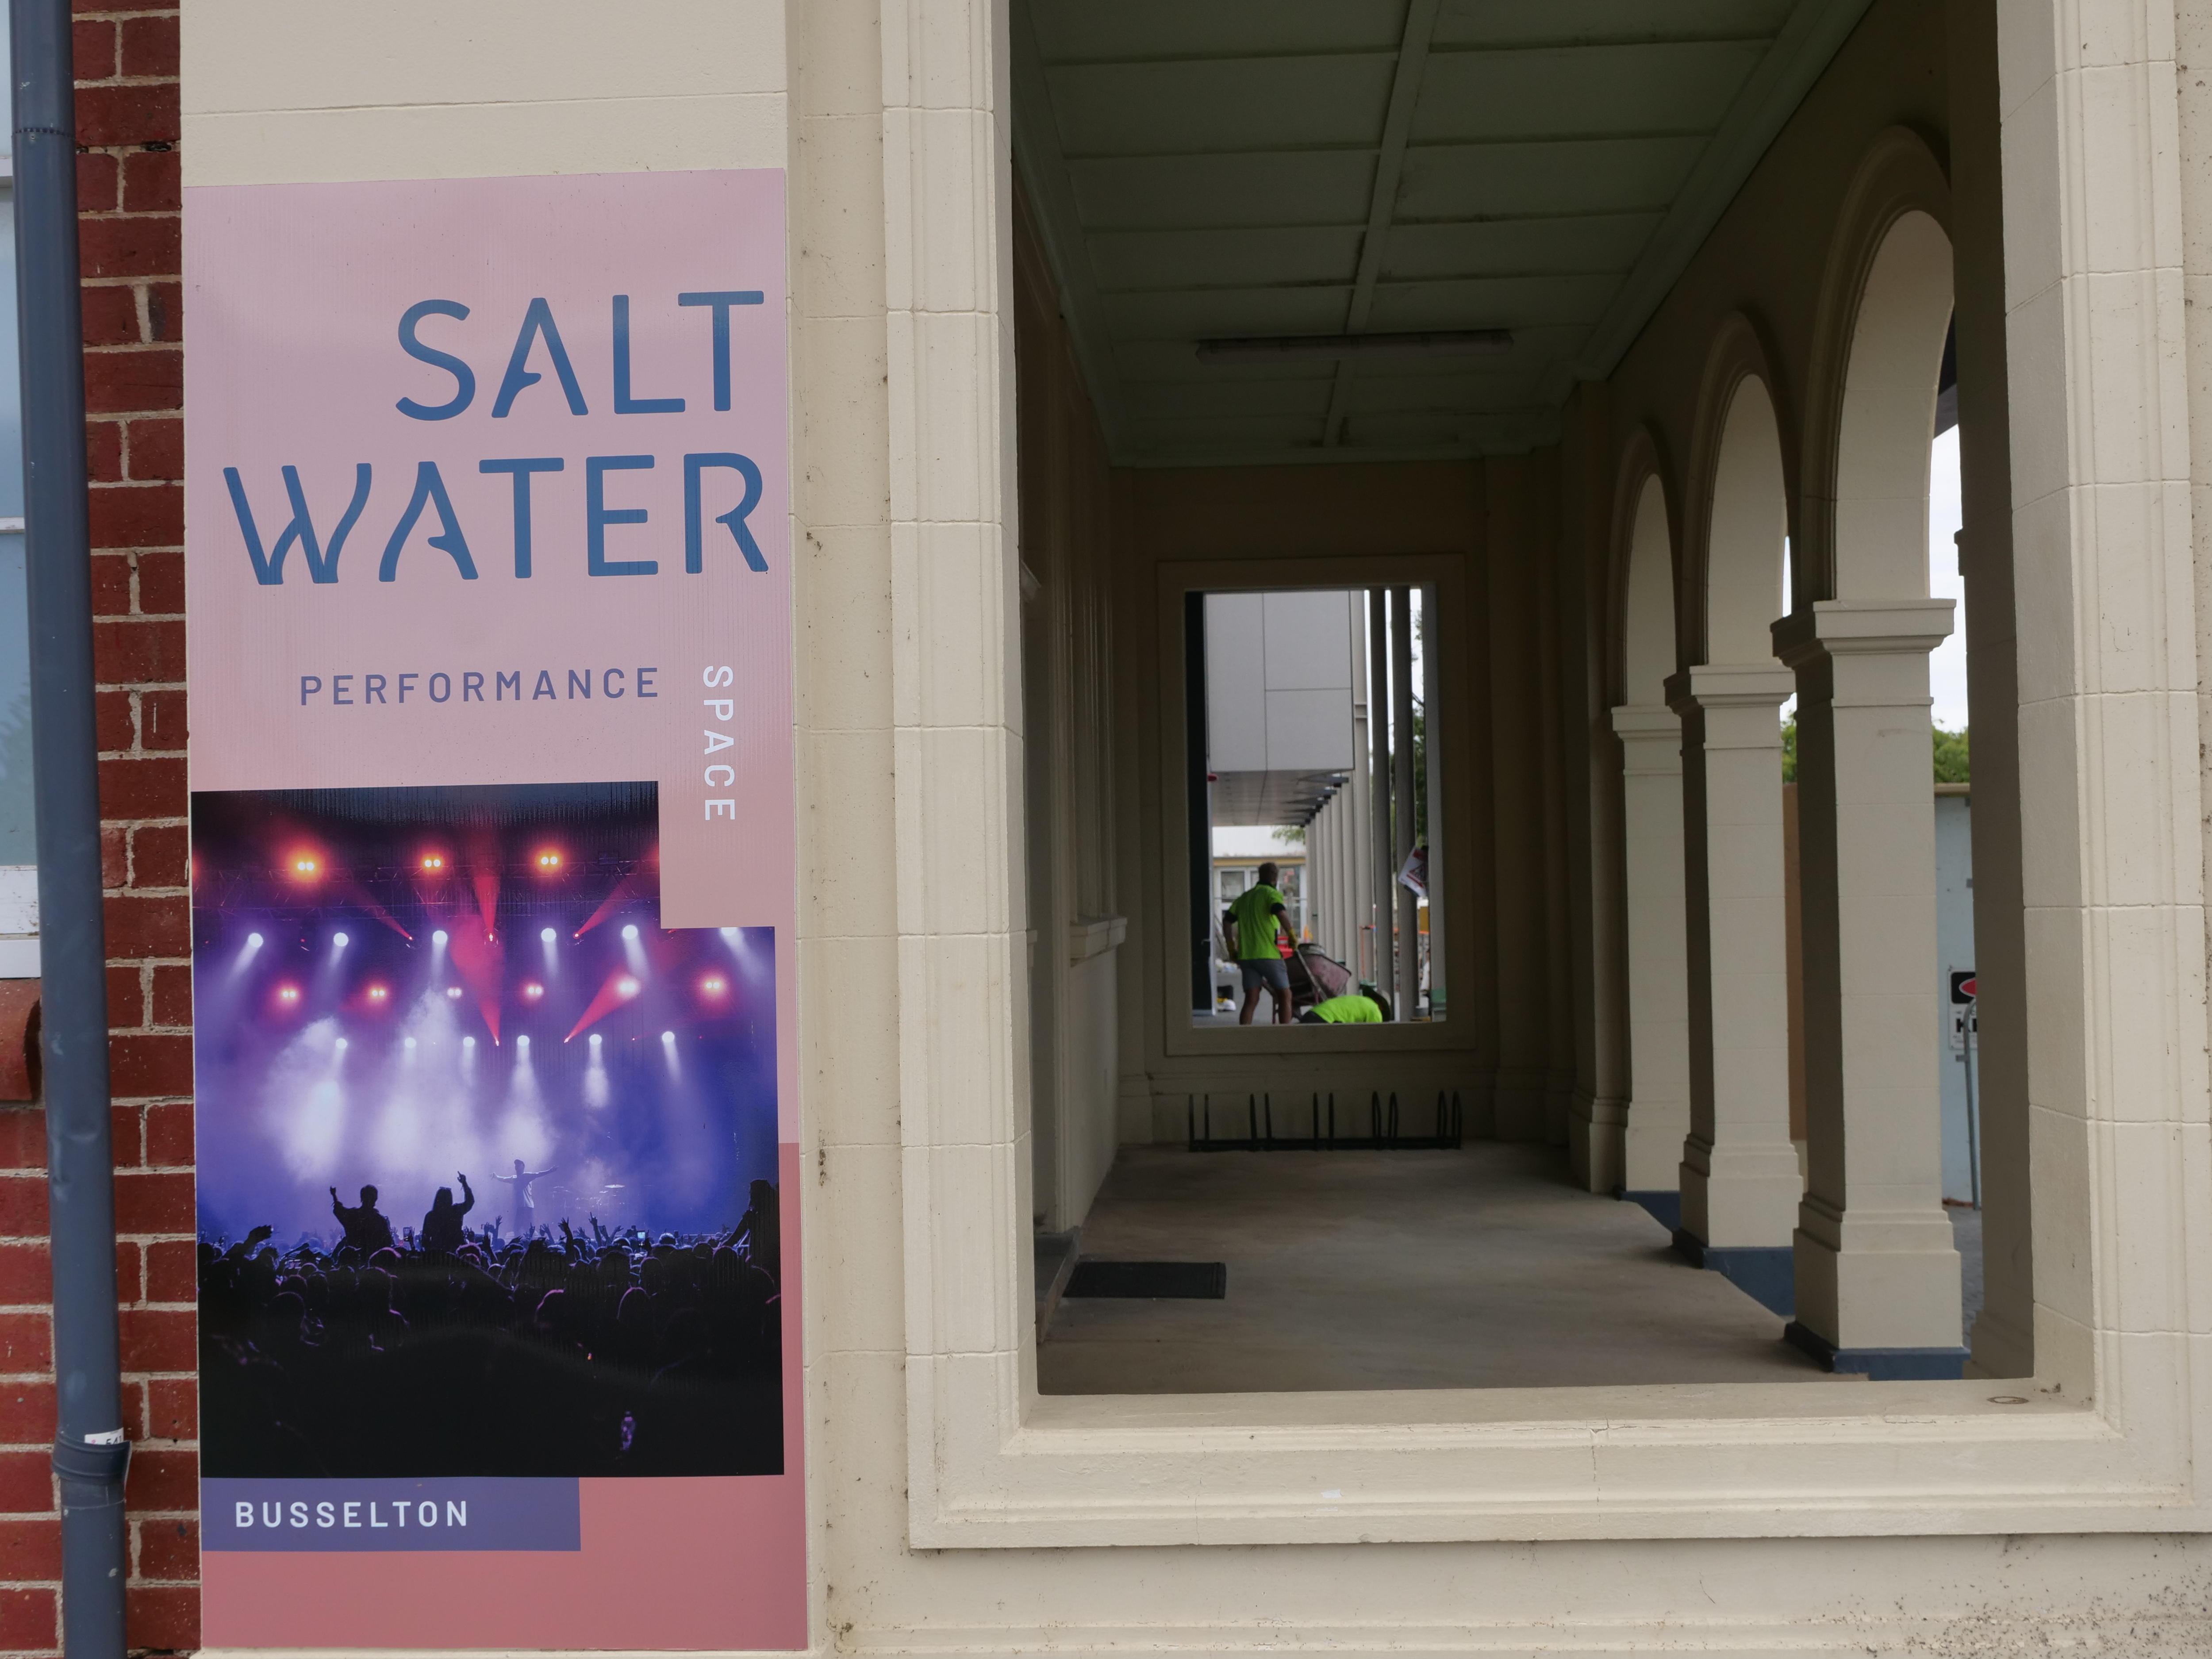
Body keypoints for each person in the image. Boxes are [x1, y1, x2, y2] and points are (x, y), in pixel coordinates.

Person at [1222, 862, 1294, 1026]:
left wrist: (1231, 946)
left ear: (1259, 876)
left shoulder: (1245, 897)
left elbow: (1227, 922)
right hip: (1268, 955)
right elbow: (1280, 912)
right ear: (1275, 878)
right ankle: (1287, 1036)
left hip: (1246, 956)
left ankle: (1244, 1036)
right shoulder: (1271, 894)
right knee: (1285, 995)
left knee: (1252, 998)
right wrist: (1291, 934)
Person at [330, 1184, 395, 1252]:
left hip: (354, 1259)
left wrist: (334, 1195)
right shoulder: (380, 1220)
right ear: (376, 1199)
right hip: (373, 1260)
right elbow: (388, 1242)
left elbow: (339, 1210)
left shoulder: (352, 1215)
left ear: (362, 1198)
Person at [492, 1158, 558, 1226]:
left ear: (523, 1166)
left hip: (528, 1207)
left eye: (519, 1165)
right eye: (516, 1165)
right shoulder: (514, 1178)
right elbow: (504, 1179)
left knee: (528, 1227)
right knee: (517, 1228)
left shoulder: (526, 1176)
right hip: (520, 1207)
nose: (517, 1166)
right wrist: (496, 1177)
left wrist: (550, 1171)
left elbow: (538, 1174)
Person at [420, 1172, 475, 1253]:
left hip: (437, 1253)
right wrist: (464, 1184)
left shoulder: (431, 1216)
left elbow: (425, 1239)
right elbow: (470, 1202)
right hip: (455, 1251)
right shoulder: (456, 1211)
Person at [1299, 990, 1391, 1025]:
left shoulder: (1358, 999)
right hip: (1324, 1022)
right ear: (1382, 1006)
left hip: (1311, 1015)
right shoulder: (1375, 1010)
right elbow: (1374, 1038)